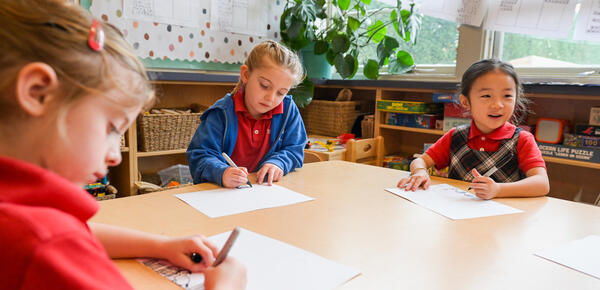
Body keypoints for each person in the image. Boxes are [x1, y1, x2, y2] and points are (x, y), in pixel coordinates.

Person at [0, 1, 246, 289]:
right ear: (38, 92)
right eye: (112, 128)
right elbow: (55, 236)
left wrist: (160, 245)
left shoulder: (22, 213)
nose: (116, 156)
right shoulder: (45, 243)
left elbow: (80, 230)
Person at [398, 59, 549, 199]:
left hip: (503, 219)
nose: (498, 105)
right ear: (466, 102)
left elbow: (542, 184)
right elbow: (420, 161)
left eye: (507, 95)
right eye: (486, 95)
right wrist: (420, 172)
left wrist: (498, 190)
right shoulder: (456, 136)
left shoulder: (522, 139)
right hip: (457, 215)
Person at [187, 40, 307, 188]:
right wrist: (222, 172)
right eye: (264, 86)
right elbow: (199, 155)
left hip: (266, 193)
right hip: (222, 194)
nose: (270, 98)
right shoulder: (221, 113)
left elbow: (294, 149)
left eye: (281, 92)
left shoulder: (288, 110)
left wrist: (279, 163)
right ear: (245, 74)